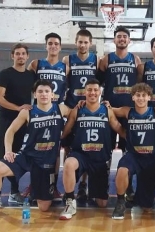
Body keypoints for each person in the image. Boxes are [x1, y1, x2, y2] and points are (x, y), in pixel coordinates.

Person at [0, 80, 71, 218]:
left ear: (52, 95)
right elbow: (10, 131)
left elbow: (75, 116)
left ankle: (36, 187)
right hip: (27, 156)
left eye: (47, 91)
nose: (43, 94)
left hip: (46, 161)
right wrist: (8, 151)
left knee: (44, 207)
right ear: (35, 94)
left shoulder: (61, 109)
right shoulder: (27, 112)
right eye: (40, 91)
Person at [59, 78, 125, 220]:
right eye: (89, 90)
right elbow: (66, 130)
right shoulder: (77, 110)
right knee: (69, 164)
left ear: (100, 92)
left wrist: (133, 140)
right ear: (85, 92)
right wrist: (55, 139)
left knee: (102, 203)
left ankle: (93, 190)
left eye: (95, 90)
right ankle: (70, 201)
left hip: (100, 158)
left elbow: (118, 128)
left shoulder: (107, 110)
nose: (92, 93)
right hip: (81, 155)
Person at [109, 83, 155, 219]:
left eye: (143, 95)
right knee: (122, 169)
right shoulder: (127, 111)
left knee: (146, 206)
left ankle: (140, 197)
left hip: (150, 158)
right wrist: (105, 105)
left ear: (149, 97)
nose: (140, 98)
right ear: (133, 97)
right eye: (138, 95)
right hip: (133, 155)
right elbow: (110, 110)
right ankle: (120, 202)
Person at [97, 26, 141, 200]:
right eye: (119, 37)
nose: (122, 39)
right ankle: (104, 183)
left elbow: (139, 84)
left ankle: (128, 185)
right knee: (106, 148)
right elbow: (97, 83)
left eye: (125, 37)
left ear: (129, 40)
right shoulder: (106, 60)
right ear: (114, 40)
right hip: (109, 110)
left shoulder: (135, 60)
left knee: (127, 149)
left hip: (128, 112)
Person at [27, 32, 68, 201]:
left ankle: (53, 186)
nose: (53, 46)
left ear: (60, 47)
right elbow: (26, 84)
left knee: (55, 151)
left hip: (56, 111)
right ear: (46, 46)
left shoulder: (65, 67)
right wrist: (26, 103)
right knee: (34, 148)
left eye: (56, 43)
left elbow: (70, 88)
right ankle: (33, 184)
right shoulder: (36, 64)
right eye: (50, 43)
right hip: (39, 112)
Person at [0, 43, 35, 205]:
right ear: (12, 56)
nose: (20, 56)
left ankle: (14, 192)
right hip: (6, 121)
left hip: (22, 122)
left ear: (27, 56)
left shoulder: (31, 75)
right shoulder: (5, 74)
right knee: (3, 156)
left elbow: (40, 93)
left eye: (23, 53)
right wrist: (18, 108)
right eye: (17, 53)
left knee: (16, 156)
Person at [62, 29, 99, 201]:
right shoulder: (67, 60)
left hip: (88, 108)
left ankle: (83, 184)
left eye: (86, 42)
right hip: (72, 108)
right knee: (68, 147)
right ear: (75, 42)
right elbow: (62, 84)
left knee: (88, 146)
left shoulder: (97, 60)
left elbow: (97, 85)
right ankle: (67, 185)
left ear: (90, 43)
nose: (83, 45)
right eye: (80, 41)